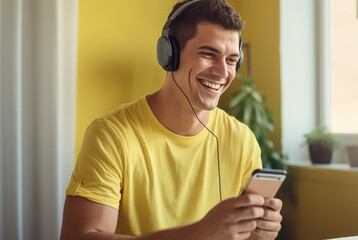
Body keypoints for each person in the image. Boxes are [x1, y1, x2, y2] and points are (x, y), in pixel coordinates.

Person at [60, 0, 283, 239]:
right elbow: (81, 236)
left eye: (231, 59)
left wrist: (258, 232)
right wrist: (200, 232)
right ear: (169, 54)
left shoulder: (242, 139)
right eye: (208, 54)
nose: (223, 72)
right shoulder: (112, 135)